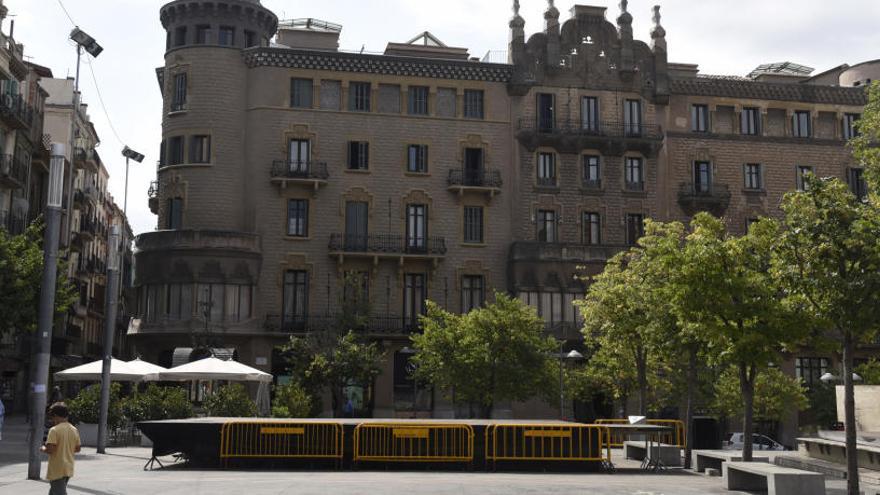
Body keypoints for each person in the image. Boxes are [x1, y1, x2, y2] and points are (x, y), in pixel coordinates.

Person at [41, 402, 80, 495]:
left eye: (52, 417)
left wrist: (42, 448)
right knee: (54, 491)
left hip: (57, 468)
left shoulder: (54, 430)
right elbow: (77, 449)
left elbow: (50, 449)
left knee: (59, 492)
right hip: (68, 467)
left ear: (56, 416)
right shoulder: (74, 430)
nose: (52, 420)